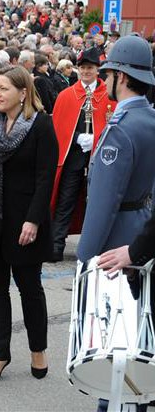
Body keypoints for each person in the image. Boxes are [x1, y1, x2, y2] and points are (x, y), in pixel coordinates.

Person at [76, 35, 155, 412]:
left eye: (107, 73)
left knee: (114, 350)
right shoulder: (149, 119)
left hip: (118, 240)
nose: (105, 80)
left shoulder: (121, 128)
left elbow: (103, 203)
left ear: (119, 77)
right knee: (141, 343)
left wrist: (86, 258)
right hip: (142, 226)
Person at [0, 66, 58, 382]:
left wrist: (33, 219)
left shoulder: (41, 125)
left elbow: (46, 177)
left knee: (29, 289)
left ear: (23, 93)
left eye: (4, 88)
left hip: (25, 222)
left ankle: (38, 351)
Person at [50, 48, 116, 262]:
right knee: (66, 200)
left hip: (100, 159)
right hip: (74, 158)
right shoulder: (67, 95)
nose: (86, 72)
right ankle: (56, 244)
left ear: (98, 70)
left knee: (97, 202)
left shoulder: (108, 95)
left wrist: (96, 138)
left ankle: (94, 248)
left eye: (90, 68)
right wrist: (78, 137)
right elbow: (60, 126)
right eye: (83, 68)